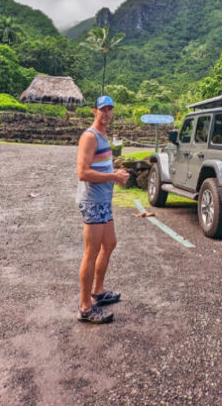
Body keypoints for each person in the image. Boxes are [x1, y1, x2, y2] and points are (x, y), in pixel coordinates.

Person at [75, 94, 129, 324]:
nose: (106, 113)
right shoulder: (90, 136)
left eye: (110, 109)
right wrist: (113, 176)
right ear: (94, 111)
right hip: (93, 201)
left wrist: (116, 173)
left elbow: (101, 165)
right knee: (92, 251)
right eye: (102, 109)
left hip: (104, 200)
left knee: (110, 244)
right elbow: (83, 172)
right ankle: (86, 307)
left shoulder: (104, 135)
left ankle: (98, 291)